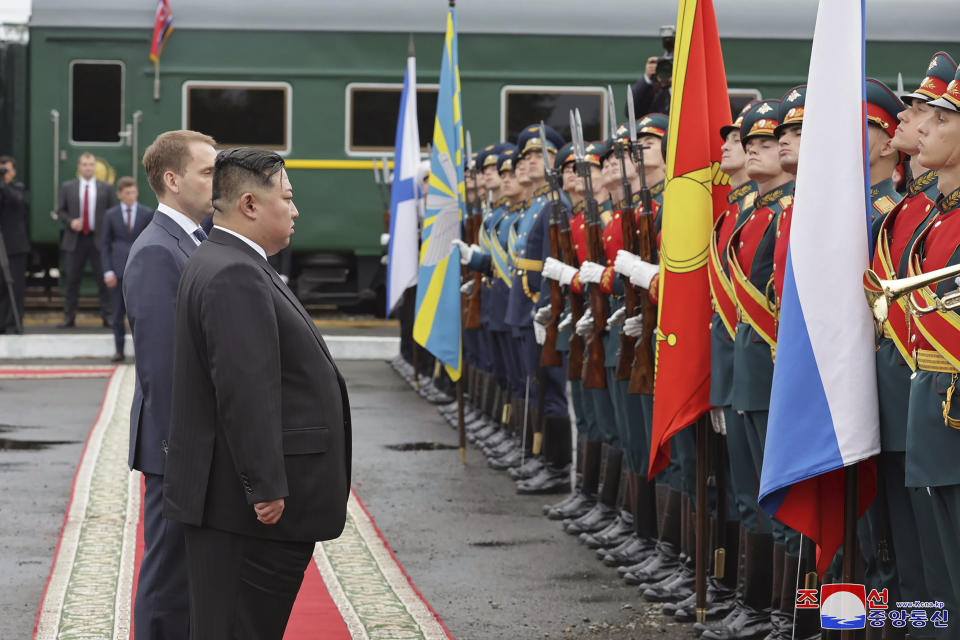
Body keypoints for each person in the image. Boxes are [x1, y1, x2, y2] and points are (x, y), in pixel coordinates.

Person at [163, 147, 351, 640]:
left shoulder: (225, 260)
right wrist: (265, 485)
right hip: (248, 513)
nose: (295, 210)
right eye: (286, 198)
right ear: (249, 204)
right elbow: (246, 388)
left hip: (231, 500)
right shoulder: (234, 272)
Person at [123, 129, 217, 640]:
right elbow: (165, 368)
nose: (217, 179)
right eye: (207, 171)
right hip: (175, 448)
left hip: (189, 446)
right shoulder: (158, 251)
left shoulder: (190, 241)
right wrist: (184, 454)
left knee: (187, 578)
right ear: (172, 179)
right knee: (167, 581)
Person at [56, 152, 116, 328]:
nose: (88, 167)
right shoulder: (68, 187)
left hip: (98, 240)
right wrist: (70, 221)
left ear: (95, 167)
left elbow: (113, 213)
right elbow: (60, 211)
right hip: (76, 240)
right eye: (85, 164)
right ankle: (69, 318)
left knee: (103, 280)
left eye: (91, 164)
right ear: (79, 167)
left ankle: (108, 317)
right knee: (72, 281)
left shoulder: (106, 188)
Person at [100, 177, 154, 362]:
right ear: (120, 194)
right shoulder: (110, 215)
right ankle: (119, 350)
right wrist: (107, 271)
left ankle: (143, 352)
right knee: (117, 314)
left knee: (140, 314)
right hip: (118, 271)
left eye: (133, 192)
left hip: (140, 271)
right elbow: (105, 244)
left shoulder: (147, 213)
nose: (131, 196)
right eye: (127, 193)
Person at [0, 155, 29, 334]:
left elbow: (16, 200)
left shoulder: (17, 187)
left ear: (13, 172)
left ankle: (14, 322)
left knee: (16, 287)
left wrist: (2, 182)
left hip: (15, 246)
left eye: (6, 170)